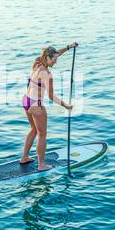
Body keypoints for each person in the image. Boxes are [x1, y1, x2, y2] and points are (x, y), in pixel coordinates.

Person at [20, 42, 78, 171]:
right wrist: (66, 105)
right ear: (47, 58)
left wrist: (68, 48)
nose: (55, 62)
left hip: (26, 100)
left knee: (33, 129)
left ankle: (24, 157)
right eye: (54, 60)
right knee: (42, 134)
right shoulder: (47, 74)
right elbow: (52, 96)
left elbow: (56, 53)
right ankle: (41, 165)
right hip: (36, 105)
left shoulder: (37, 62)